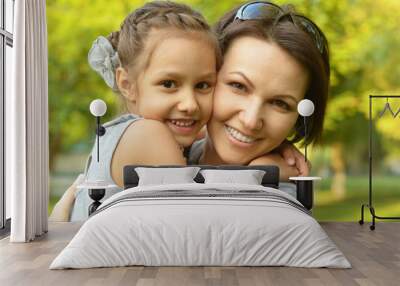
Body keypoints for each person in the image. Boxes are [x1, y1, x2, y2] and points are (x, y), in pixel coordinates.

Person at [50, 0, 221, 221]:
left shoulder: (120, 133)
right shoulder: (148, 134)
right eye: (169, 84)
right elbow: (200, 226)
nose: (190, 104)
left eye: (203, 85)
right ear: (127, 84)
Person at [188, 1, 330, 182]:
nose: (250, 121)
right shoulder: (157, 146)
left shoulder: (282, 197)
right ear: (207, 78)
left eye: (280, 103)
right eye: (238, 86)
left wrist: (262, 175)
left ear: (299, 119)